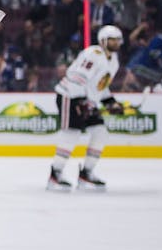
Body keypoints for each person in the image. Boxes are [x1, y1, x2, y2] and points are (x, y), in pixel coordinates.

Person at [47, 24, 124, 192]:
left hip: (87, 102)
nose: (116, 43)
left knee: (100, 132)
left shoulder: (114, 61)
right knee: (71, 133)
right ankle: (55, 174)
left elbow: (100, 85)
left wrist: (110, 102)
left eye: (118, 40)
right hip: (70, 96)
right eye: (112, 40)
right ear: (103, 41)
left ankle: (86, 173)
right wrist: (81, 100)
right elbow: (77, 77)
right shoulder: (93, 54)